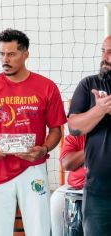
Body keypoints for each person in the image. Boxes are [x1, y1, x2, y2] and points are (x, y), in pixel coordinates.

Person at [0, 28, 67, 236]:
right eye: (2, 54)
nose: (5, 59)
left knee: (39, 229)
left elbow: (56, 130)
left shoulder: (47, 87)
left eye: (11, 54)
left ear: (25, 54)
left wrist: (43, 148)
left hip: (33, 167)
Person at [67, 35, 111, 236]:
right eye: (103, 51)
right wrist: (99, 110)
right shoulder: (89, 85)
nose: (105, 57)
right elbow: (74, 127)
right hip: (98, 191)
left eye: (110, 52)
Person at [50, 135, 86, 236]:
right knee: (56, 200)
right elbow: (66, 163)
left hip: (104, 188)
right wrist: (94, 147)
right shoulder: (76, 136)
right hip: (77, 188)